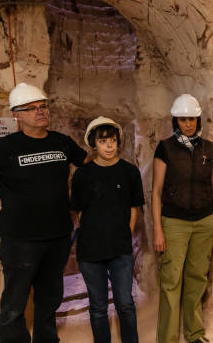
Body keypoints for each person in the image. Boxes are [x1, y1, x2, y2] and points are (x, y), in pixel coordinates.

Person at [0, 82, 88, 343]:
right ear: (17, 114)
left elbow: (90, 166)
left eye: (44, 106)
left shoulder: (62, 142)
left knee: (49, 298)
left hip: (57, 234)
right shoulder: (4, 147)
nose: (40, 111)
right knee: (15, 301)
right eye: (32, 108)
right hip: (20, 238)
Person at [152, 94, 213, 343]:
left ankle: (194, 334)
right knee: (171, 281)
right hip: (174, 223)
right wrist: (158, 229)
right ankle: (168, 339)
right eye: (182, 119)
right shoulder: (165, 148)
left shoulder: (209, 148)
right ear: (176, 121)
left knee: (197, 278)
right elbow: (156, 191)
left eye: (191, 118)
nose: (188, 124)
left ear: (198, 119)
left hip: (205, 222)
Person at [71, 117, 144, 343]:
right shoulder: (82, 175)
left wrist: (125, 234)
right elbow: (79, 211)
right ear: (94, 144)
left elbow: (134, 208)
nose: (109, 146)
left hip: (120, 249)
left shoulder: (129, 172)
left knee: (125, 304)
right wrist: (95, 229)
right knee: (99, 307)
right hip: (90, 251)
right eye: (103, 141)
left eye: (112, 140)